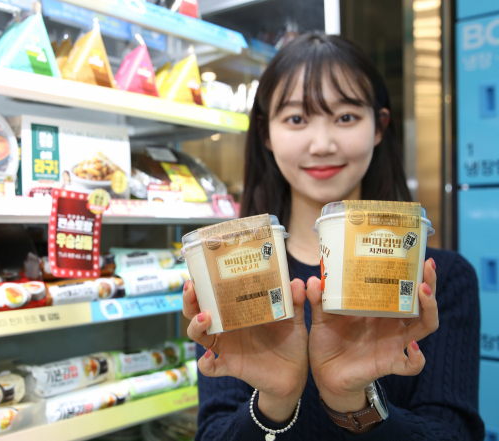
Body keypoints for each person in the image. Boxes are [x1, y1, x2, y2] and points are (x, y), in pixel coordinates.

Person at [183, 33, 484, 440]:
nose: (322, 144)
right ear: (266, 134)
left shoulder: (440, 280)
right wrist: (274, 401)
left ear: (379, 127)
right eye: (296, 119)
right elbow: (213, 431)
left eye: (345, 117)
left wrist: (353, 403)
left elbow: (454, 432)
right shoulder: (229, 276)